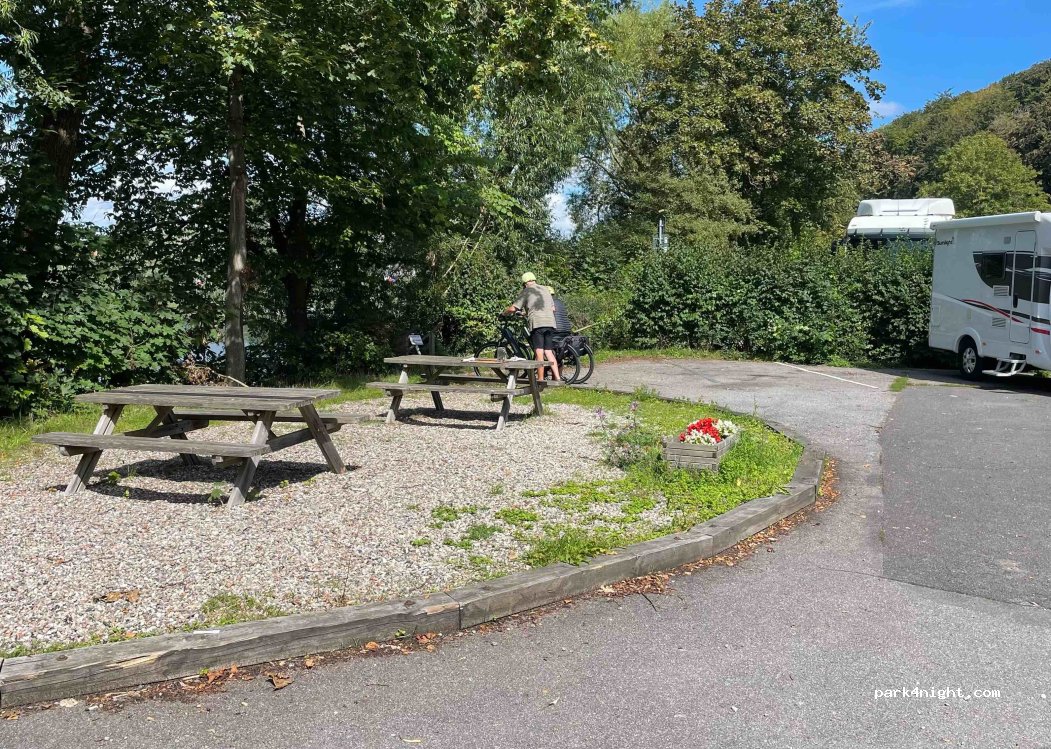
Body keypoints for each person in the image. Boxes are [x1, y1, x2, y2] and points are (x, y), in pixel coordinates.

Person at [504, 272, 560, 381]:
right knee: (548, 351)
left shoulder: (527, 291)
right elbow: (553, 309)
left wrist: (504, 313)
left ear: (525, 283)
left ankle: (540, 379)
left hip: (538, 323)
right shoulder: (545, 289)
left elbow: (513, 308)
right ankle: (557, 377)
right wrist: (527, 313)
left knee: (539, 352)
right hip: (550, 322)